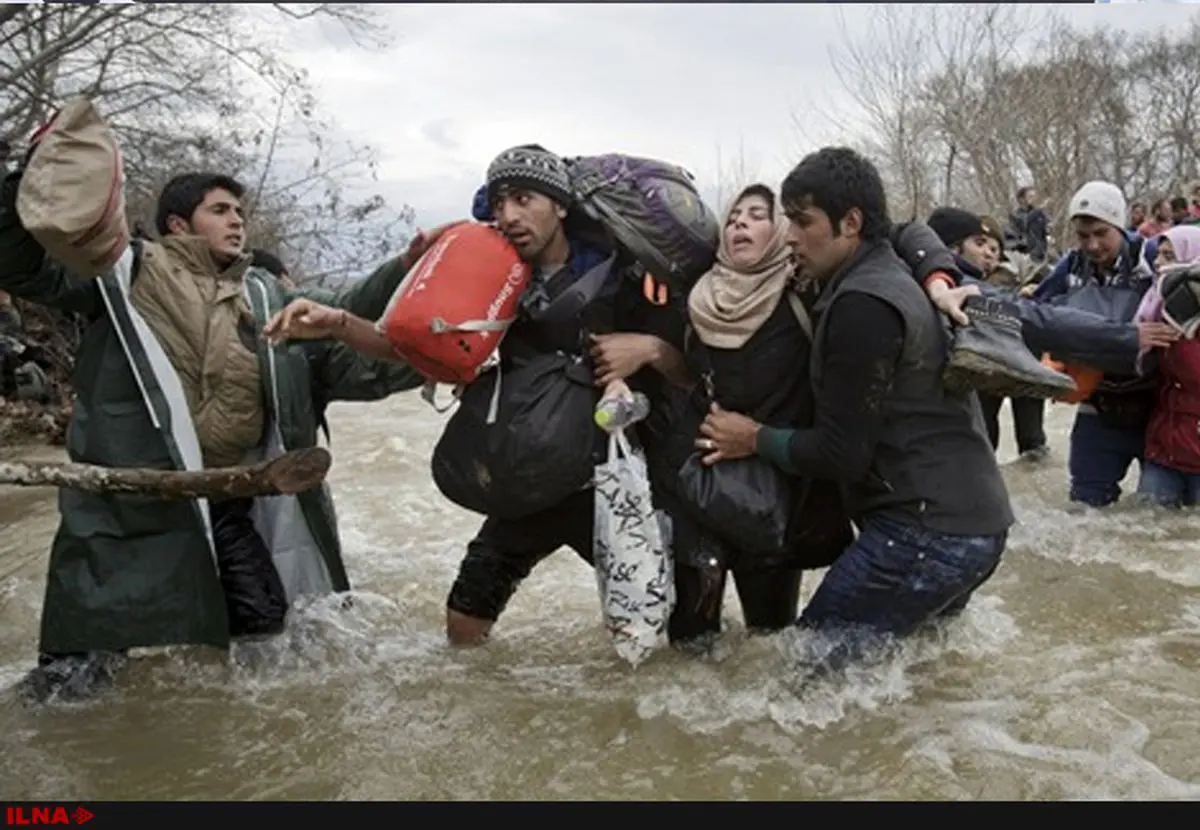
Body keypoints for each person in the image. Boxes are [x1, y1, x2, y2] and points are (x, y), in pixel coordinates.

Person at [0, 166, 431, 702]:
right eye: (220, 210)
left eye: (240, 214)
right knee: (80, 666)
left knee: (262, 630)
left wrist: (407, 270)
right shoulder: (125, 270)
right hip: (126, 499)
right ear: (179, 224)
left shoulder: (264, 292)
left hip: (222, 495)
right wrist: (16, 190)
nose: (237, 222)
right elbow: (24, 269)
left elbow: (348, 305)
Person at [267, 144, 689, 648]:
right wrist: (336, 323)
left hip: (606, 486)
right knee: (463, 627)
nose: (508, 215)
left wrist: (652, 348)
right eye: (499, 202)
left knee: (648, 634)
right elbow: (406, 349)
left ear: (559, 206)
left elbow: (690, 377)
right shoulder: (495, 279)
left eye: (524, 199)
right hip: (526, 480)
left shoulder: (627, 278)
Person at [699, 147, 1013, 671]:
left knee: (803, 683)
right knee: (906, 682)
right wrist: (938, 274)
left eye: (802, 221)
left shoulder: (861, 306)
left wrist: (752, 437)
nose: (791, 235)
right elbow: (910, 228)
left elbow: (841, 453)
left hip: (923, 535)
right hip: (976, 526)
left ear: (851, 223)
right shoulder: (888, 268)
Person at [1031, 180, 1167, 507]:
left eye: (1101, 233)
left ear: (1119, 226)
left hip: (1158, 406)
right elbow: (1038, 315)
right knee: (1085, 508)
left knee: (1162, 519)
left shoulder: (1152, 256)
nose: (1092, 246)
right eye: (1083, 235)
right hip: (1099, 405)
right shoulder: (1072, 265)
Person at [1133, 226, 1200, 506]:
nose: (1158, 263)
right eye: (1158, 254)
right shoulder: (1151, 308)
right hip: (1162, 451)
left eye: (1169, 255)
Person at [1006, 185, 1049, 262]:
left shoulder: (1039, 214)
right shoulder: (1015, 216)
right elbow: (1024, 223)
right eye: (1030, 196)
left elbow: (1045, 230)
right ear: (1022, 199)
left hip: (1043, 254)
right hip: (1027, 257)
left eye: (1034, 196)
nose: (1034, 199)